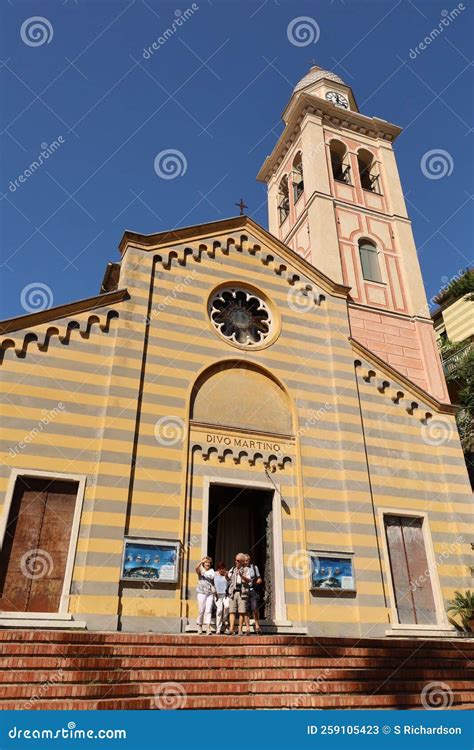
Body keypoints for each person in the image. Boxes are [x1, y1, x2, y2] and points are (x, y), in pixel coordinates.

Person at [226, 552, 251, 635]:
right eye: (235, 560)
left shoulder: (246, 569)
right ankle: (231, 629)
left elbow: (249, 580)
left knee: (241, 612)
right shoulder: (233, 569)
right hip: (233, 592)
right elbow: (228, 578)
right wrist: (225, 575)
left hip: (242, 592)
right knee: (232, 611)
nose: (236, 562)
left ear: (242, 561)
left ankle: (240, 629)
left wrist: (241, 575)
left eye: (238, 560)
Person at [195, 556, 215, 635]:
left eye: (209, 562)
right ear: (204, 563)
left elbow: (212, 576)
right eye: (206, 562)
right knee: (201, 610)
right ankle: (199, 626)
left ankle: (208, 628)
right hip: (201, 592)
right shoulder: (201, 570)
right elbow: (196, 568)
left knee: (208, 610)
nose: (208, 564)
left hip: (209, 593)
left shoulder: (212, 571)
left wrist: (204, 574)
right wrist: (201, 561)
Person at [245, 553, 263, 635]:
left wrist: (257, 582)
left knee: (255, 608)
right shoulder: (241, 568)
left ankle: (257, 625)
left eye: (247, 560)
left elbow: (259, 579)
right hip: (244, 591)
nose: (246, 562)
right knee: (246, 610)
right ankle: (248, 627)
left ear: (249, 560)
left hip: (253, 590)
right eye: (244, 560)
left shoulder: (254, 567)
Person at [214, 561, 230, 634]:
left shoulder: (227, 574)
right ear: (218, 569)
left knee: (227, 606)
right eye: (220, 568)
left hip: (225, 594)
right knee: (219, 611)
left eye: (223, 568)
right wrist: (213, 590)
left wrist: (226, 576)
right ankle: (218, 628)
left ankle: (225, 620)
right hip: (217, 595)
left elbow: (230, 582)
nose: (221, 570)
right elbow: (211, 583)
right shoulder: (214, 574)